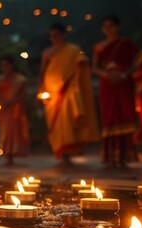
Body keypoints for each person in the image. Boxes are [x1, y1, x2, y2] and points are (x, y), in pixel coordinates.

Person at [93, 15, 142, 168]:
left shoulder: (126, 44)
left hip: (123, 82)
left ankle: (125, 156)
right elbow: (94, 67)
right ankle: (110, 157)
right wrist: (107, 75)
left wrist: (125, 74)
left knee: (125, 115)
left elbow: (140, 59)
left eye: (111, 26)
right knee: (109, 118)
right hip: (107, 84)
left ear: (117, 27)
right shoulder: (99, 47)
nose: (108, 29)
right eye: (105, 26)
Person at [39, 23, 100, 167]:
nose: (54, 39)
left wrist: (72, 83)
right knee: (54, 125)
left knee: (68, 122)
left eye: (57, 35)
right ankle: (60, 153)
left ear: (64, 35)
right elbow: (42, 72)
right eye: (51, 36)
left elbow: (82, 64)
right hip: (51, 93)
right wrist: (41, 90)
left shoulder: (74, 50)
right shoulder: (47, 52)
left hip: (68, 92)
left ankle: (68, 155)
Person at [0, 56, 30, 166]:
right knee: (5, 132)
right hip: (3, 109)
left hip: (16, 109)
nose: (4, 67)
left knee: (15, 132)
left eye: (6, 65)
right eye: (2, 65)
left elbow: (23, 94)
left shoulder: (20, 80)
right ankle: (7, 155)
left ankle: (13, 154)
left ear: (11, 65)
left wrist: (12, 101)